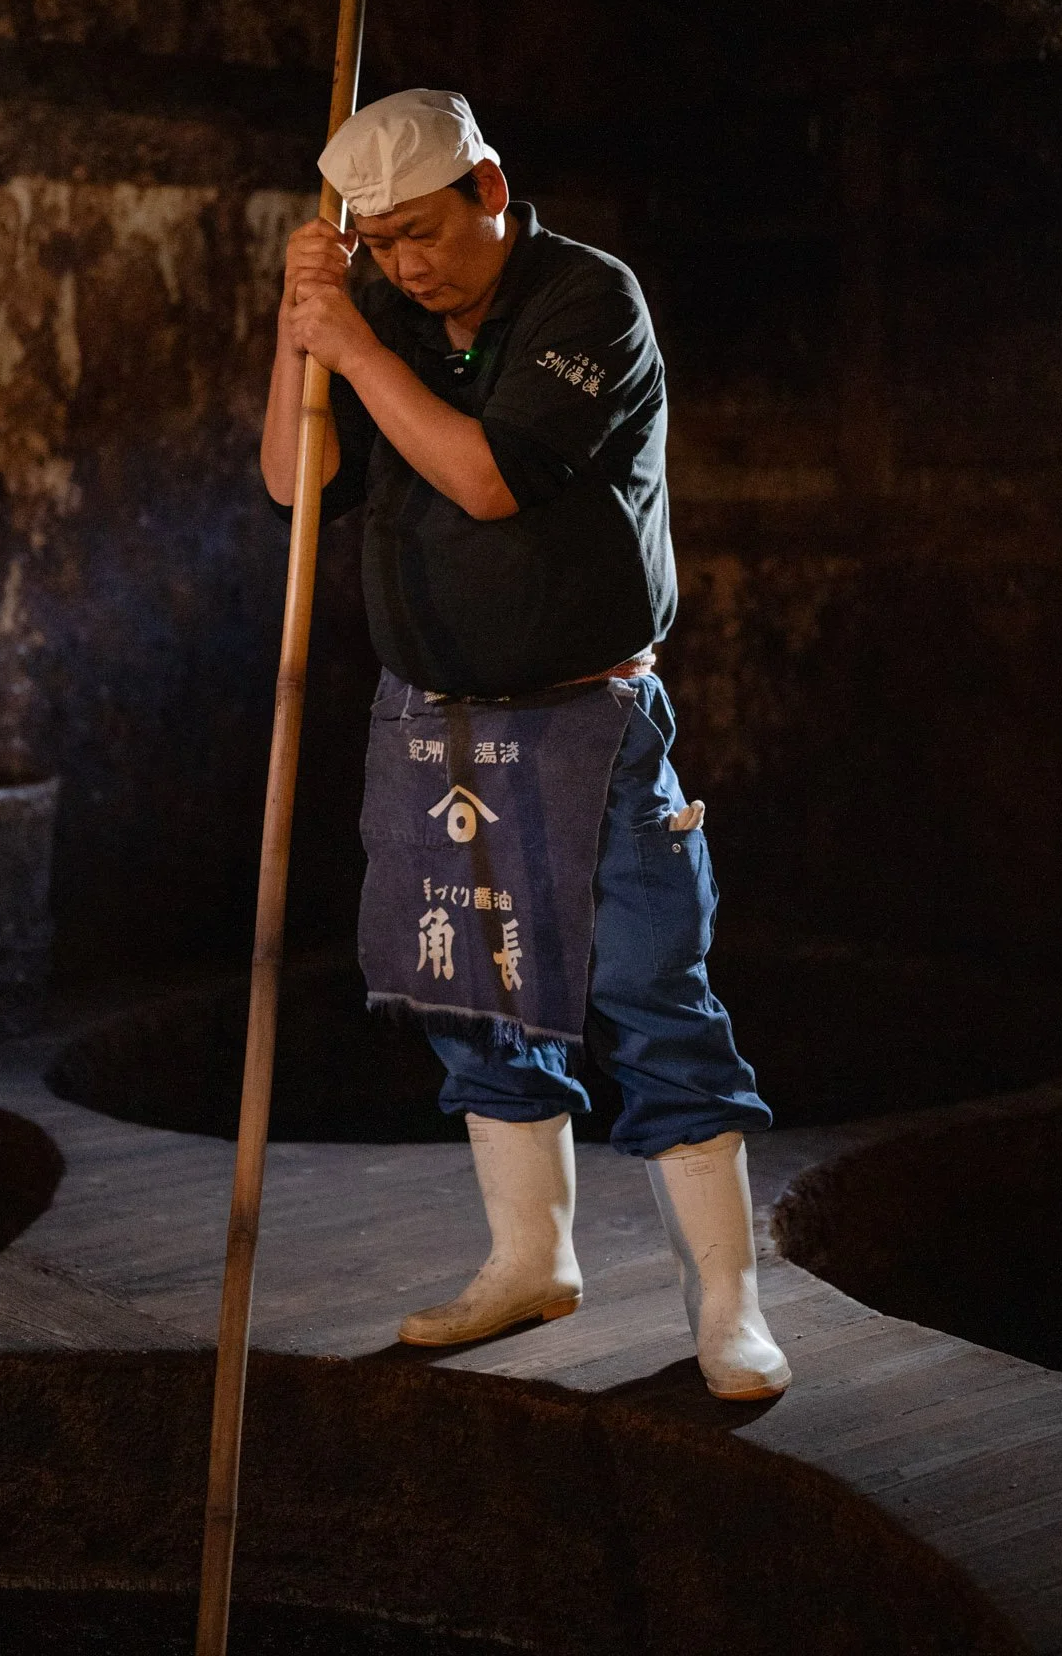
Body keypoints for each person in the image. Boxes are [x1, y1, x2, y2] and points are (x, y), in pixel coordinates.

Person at [261, 88, 789, 1400]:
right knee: (472, 999)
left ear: (489, 189)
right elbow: (291, 484)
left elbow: (489, 478)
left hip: (584, 717)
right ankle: (528, 1261)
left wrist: (355, 345)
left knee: (650, 991)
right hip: (433, 722)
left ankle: (727, 1306)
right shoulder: (373, 310)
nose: (405, 265)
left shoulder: (586, 300)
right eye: (379, 243)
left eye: (423, 233)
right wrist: (300, 328)